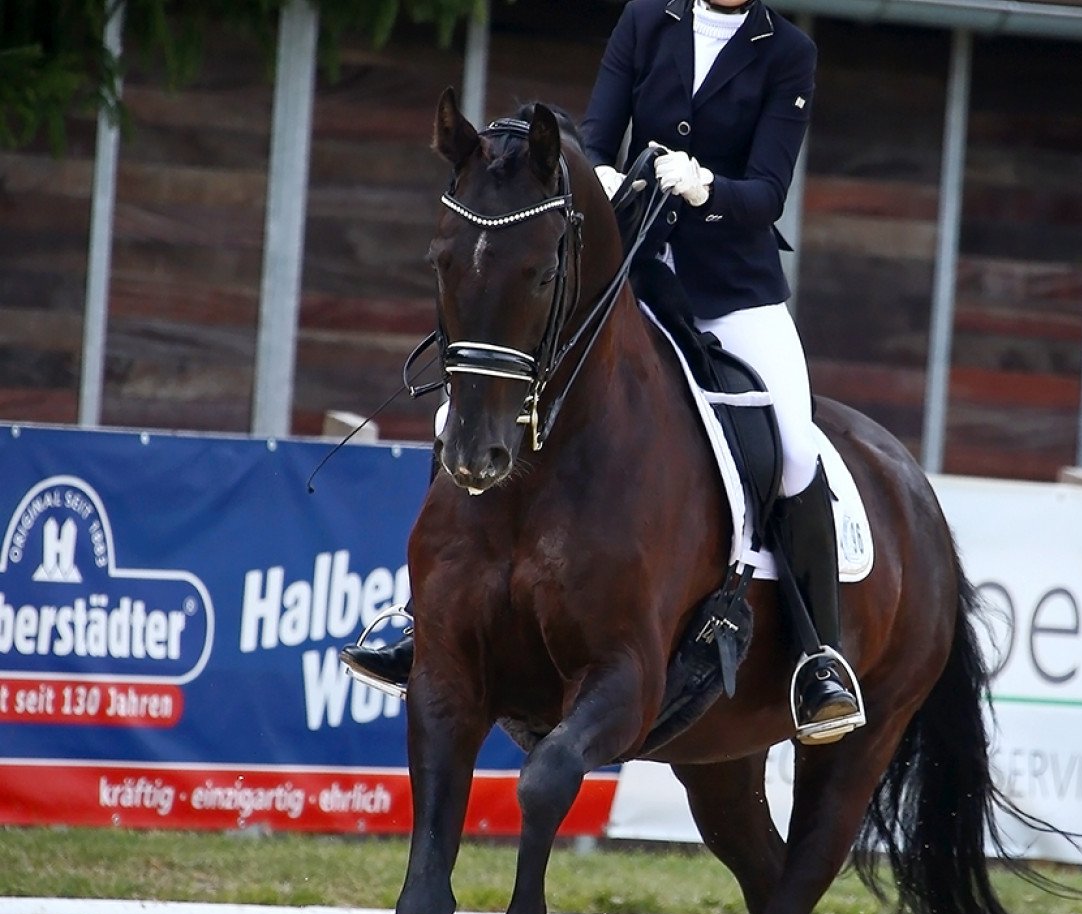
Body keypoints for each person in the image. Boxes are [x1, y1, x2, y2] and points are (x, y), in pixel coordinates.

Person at [342, 0, 864, 745]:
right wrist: (608, 177)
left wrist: (706, 187)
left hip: (732, 292)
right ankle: (416, 618)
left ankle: (818, 659)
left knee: (794, 447)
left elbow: (767, 193)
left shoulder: (787, 52)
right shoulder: (645, 21)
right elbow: (593, 138)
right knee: (461, 407)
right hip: (628, 275)